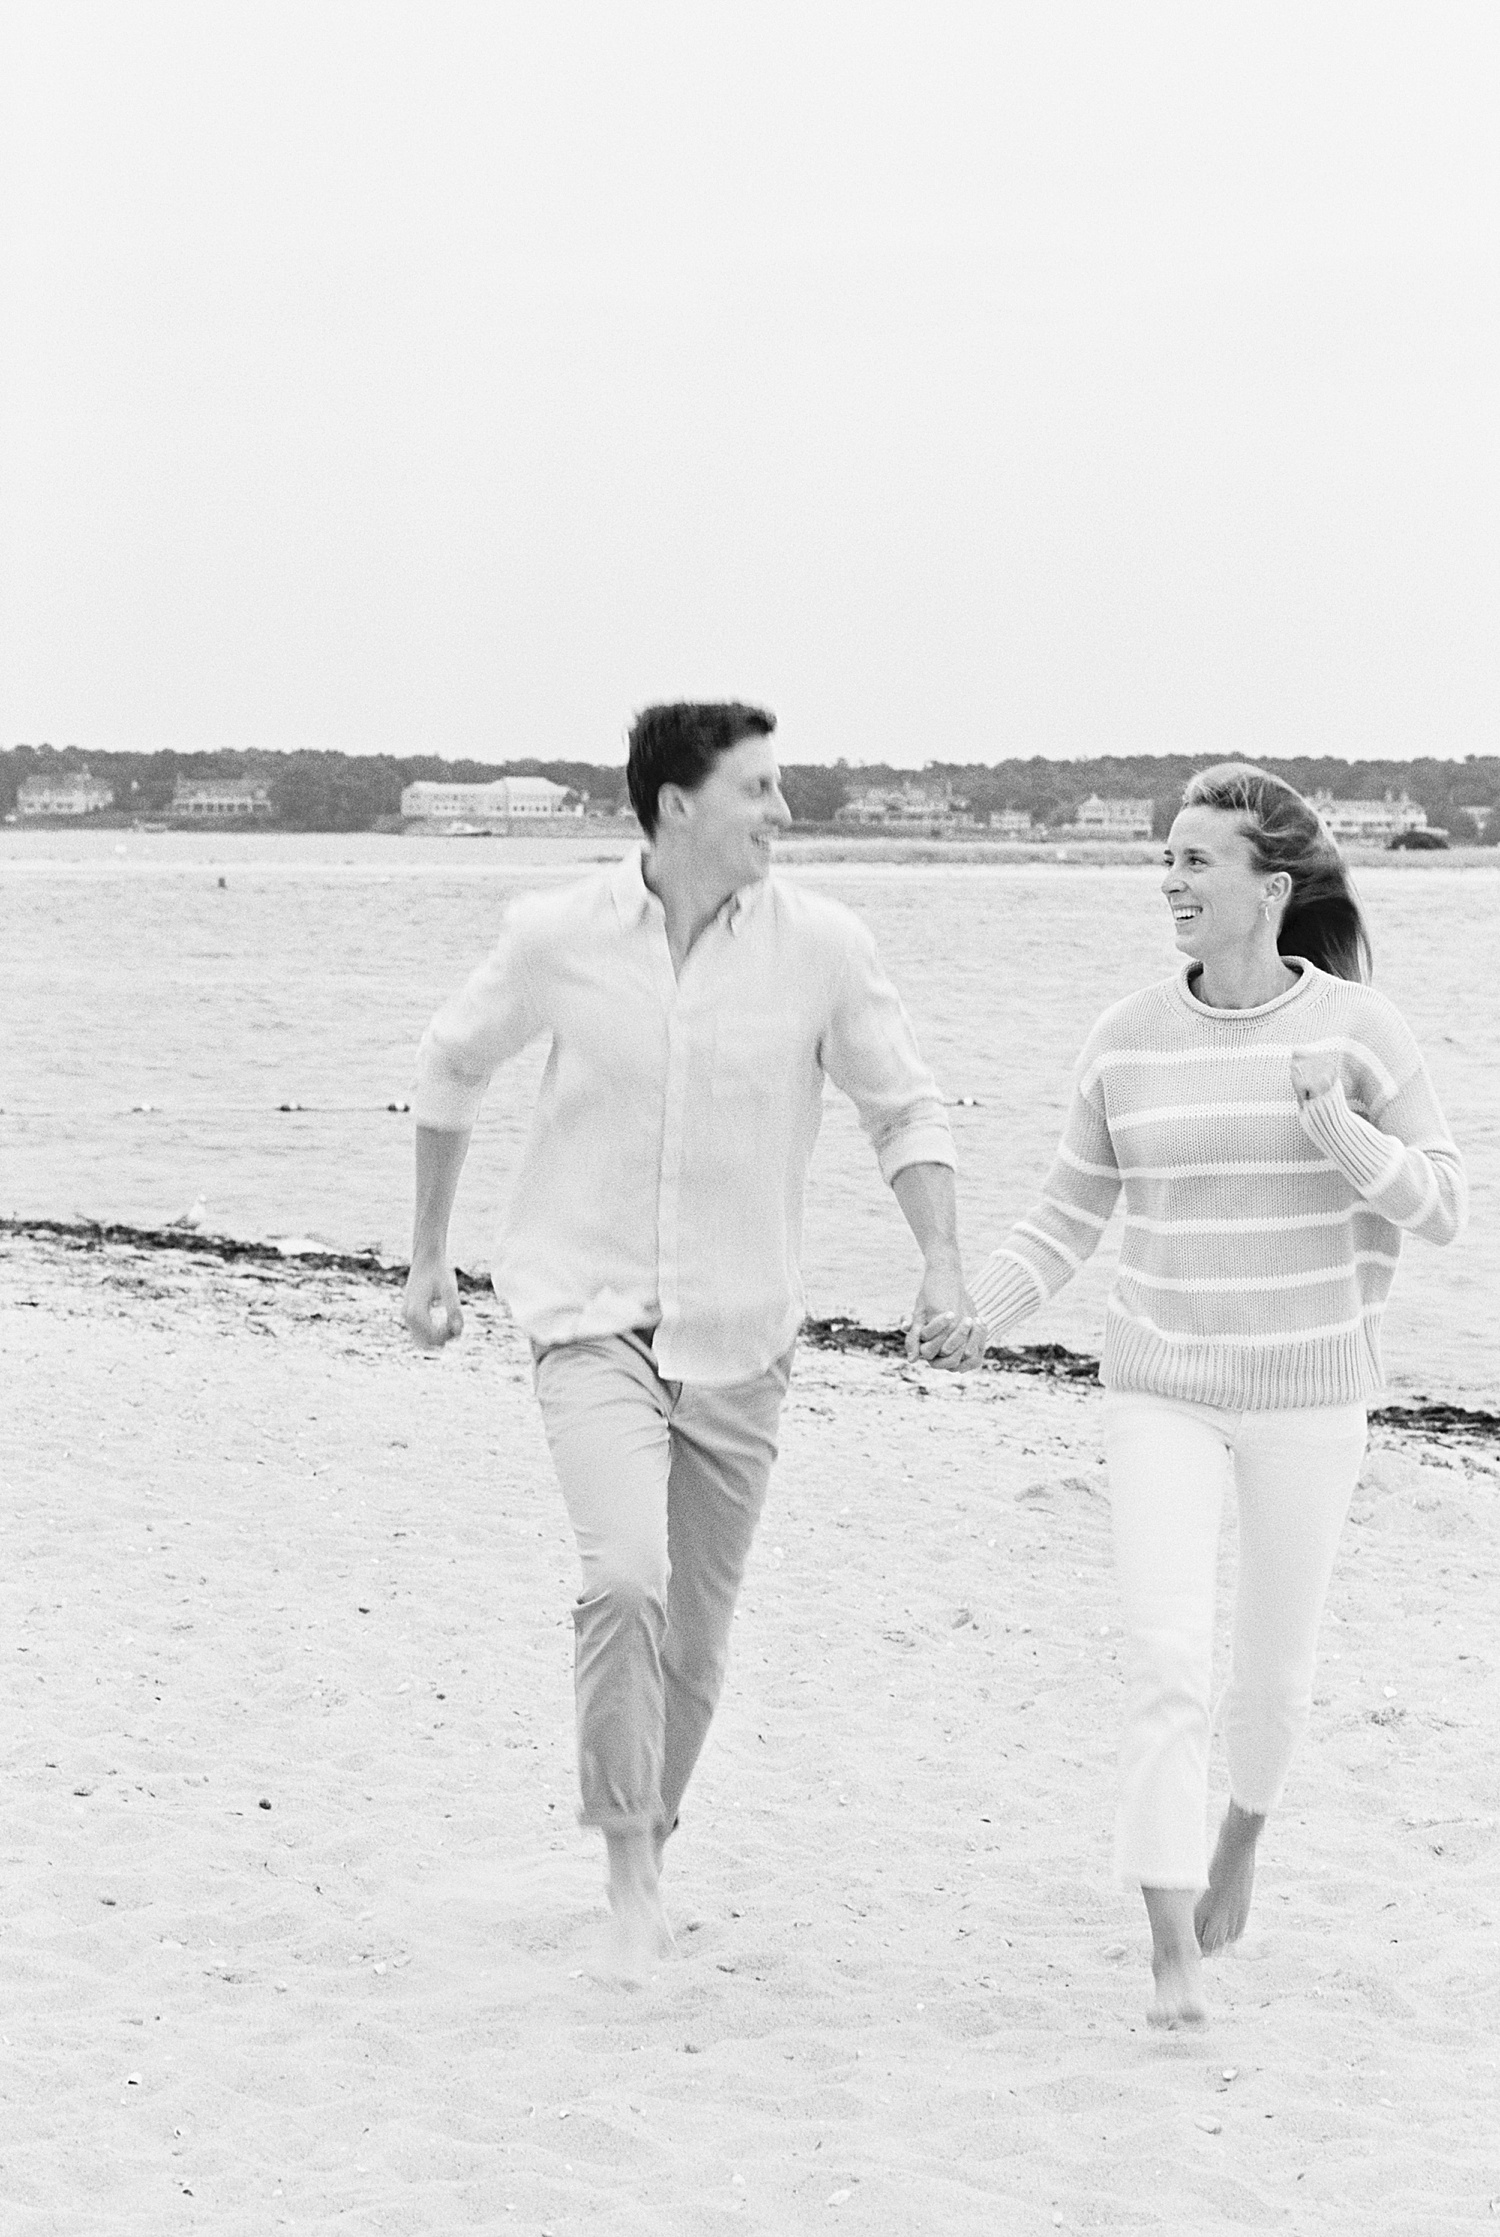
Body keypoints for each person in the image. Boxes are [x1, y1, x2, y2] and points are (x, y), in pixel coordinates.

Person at [402, 702, 985, 1976]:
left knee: (700, 1643)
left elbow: (904, 1106)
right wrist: (429, 1252)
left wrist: (940, 1262)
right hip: (587, 1315)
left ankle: (651, 1836)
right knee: (624, 1575)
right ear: (677, 804)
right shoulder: (556, 936)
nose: (784, 812)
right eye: (760, 789)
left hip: (741, 1330)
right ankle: (625, 1875)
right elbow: (451, 1066)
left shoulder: (824, 947)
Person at [968, 763, 1467, 2028]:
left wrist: (1341, 1130)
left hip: (1310, 1386)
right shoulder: (1125, 1036)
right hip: (1162, 1385)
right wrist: (980, 1314)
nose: (1173, 880)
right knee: (1163, 1656)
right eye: (1168, 858)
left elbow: (1446, 1209)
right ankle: (1168, 1949)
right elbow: (1067, 1214)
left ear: (1270, 886)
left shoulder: (1361, 1029)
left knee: (1274, 1678)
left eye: (1199, 860)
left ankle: (1242, 1835)